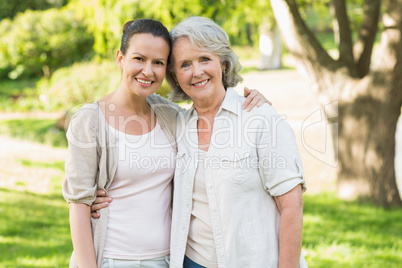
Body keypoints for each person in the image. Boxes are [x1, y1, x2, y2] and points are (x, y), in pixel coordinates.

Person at [63, 18, 269, 268]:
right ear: (120, 58)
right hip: (110, 259)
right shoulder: (89, 121)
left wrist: (253, 99)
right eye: (139, 59)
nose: (148, 71)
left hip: (167, 261)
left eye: (158, 63)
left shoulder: (171, 116)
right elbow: (79, 206)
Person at [165, 17, 308, 267]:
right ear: (175, 76)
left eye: (205, 59)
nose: (196, 72)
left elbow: (292, 207)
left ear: (222, 63)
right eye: (185, 64)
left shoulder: (260, 118)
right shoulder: (176, 124)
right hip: (191, 261)